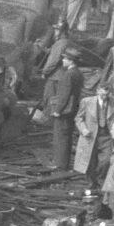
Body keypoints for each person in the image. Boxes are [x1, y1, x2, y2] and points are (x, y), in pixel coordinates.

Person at [39, 47, 83, 176]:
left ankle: (60, 164)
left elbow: (64, 95)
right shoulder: (78, 73)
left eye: (65, 59)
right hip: (72, 108)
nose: (63, 61)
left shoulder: (69, 74)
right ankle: (62, 162)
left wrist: (58, 110)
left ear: (70, 61)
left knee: (60, 137)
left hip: (64, 110)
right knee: (66, 135)